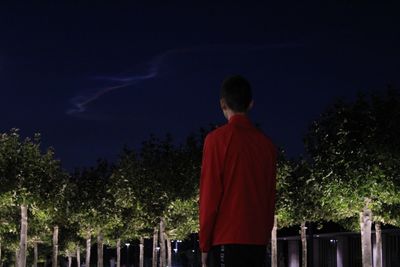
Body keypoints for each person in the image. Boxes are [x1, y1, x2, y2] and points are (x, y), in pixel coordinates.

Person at [199, 75, 277, 267]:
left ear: (222, 104)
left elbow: (210, 196)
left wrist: (204, 244)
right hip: (257, 240)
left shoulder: (216, 140)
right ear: (250, 104)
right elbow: (270, 197)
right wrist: (264, 236)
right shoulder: (267, 145)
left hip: (227, 238)